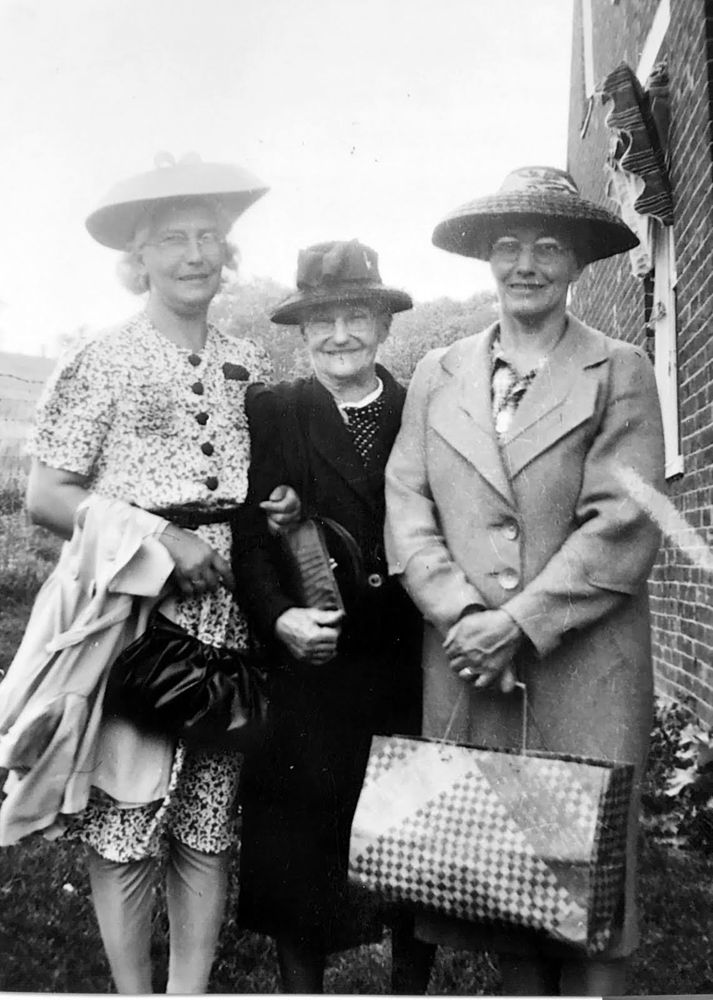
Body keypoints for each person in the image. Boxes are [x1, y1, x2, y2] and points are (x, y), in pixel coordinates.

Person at [15, 153, 296, 994]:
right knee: (128, 815)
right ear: (137, 259)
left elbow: (258, 484)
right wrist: (160, 540)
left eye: (210, 236)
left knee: (208, 818)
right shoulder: (102, 360)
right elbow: (47, 494)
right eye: (172, 239)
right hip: (132, 621)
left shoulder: (249, 362)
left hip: (231, 620)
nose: (195, 254)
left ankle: (190, 992)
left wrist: (276, 506)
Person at [383, 166, 665, 997]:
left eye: (548, 246)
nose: (526, 263)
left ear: (577, 261)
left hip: (583, 659)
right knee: (506, 888)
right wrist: (462, 613)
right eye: (507, 246)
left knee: (588, 902)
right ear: (485, 260)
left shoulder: (619, 370)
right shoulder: (437, 373)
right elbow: (407, 505)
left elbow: (624, 521)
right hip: (470, 659)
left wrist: (518, 621)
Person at [231, 239, 436, 994]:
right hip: (310, 664)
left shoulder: (422, 404)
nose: (340, 335)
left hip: (406, 657)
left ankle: (408, 986)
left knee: (412, 840)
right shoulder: (276, 412)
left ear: (383, 324)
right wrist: (279, 616)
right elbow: (249, 536)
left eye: (355, 316)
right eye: (322, 322)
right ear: (301, 333)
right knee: (300, 848)